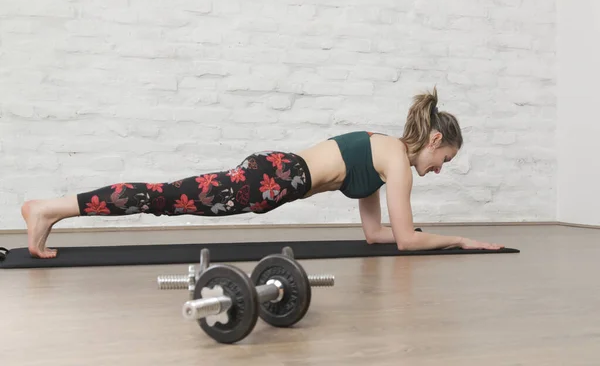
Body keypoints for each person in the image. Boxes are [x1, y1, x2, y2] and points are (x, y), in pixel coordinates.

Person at [21, 87, 503, 259]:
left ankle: (51, 210)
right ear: (435, 141)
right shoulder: (398, 160)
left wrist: (416, 235)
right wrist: (461, 241)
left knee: (165, 197)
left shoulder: (384, 158)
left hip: (272, 177)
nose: (439, 171)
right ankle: (48, 209)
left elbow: (377, 234)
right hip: (270, 179)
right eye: (446, 161)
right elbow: (405, 240)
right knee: (162, 197)